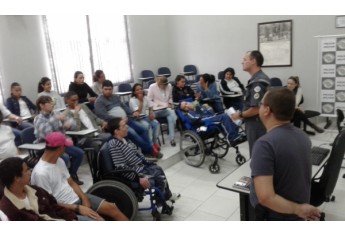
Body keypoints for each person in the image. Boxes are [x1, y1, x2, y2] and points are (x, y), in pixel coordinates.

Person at [250, 87, 321, 221]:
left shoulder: (265, 144)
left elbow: (266, 197)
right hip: (296, 211)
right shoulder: (302, 135)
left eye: (261, 104)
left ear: (267, 110)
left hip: (276, 216)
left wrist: (298, 210)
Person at [31, 132, 128, 221]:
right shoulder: (41, 173)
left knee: (112, 207)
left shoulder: (59, 160)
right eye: (65, 146)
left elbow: (71, 182)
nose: (66, 149)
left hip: (76, 199)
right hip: (63, 208)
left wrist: (84, 198)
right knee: (98, 221)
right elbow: (50, 204)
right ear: (60, 148)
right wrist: (78, 208)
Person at [106, 117, 181, 205]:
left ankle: (167, 196)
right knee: (158, 178)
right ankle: (161, 203)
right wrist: (139, 178)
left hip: (139, 167)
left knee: (158, 169)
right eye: (123, 126)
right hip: (133, 173)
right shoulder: (114, 144)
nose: (127, 127)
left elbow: (138, 153)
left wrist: (147, 162)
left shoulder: (125, 139)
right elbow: (120, 166)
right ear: (116, 131)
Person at [94, 80, 162, 158]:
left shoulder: (115, 97)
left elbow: (124, 106)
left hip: (126, 119)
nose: (108, 91)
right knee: (133, 133)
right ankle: (151, 150)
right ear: (102, 89)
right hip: (116, 124)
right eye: (106, 89)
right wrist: (120, 119)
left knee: (144, 128)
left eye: (110, 89)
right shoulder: (99, 101)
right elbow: (104, 116)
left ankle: (145, 151)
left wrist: (132, 113)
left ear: (112, 89)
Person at [0, 157, 77, 221]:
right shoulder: (8, 208)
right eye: (26, 170)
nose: (30, 172)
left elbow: (55, 206)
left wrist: (71, 218)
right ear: (17, 178)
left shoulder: (36, 190)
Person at [34, 95, 84, 185]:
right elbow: (48, 135)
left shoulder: (55, 113)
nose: (52, 105)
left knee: (79, 153)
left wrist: (69, 123)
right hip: (48, 146)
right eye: (49, 103)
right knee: (65, 157)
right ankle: (61, 180)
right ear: (41, 105)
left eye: (51, 102)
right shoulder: (38, 118)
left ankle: (71, 175)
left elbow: (73, 125)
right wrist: (56, 119)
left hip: (61, 143)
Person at [231, 50, 270, 156]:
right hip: (257, 122)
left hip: (256, 124)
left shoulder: (258, 82)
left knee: (257, 154)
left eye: (244, 59)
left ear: (253, 61)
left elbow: (256, 109)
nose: (242, 62)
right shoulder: (257, 79)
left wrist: (239, 115)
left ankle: (258, 172)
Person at [63, 91, 111, 156]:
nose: (76, 102)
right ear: (67, 100)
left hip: (96, 132)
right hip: (85, 138)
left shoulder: (83, 106)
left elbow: (95, 118)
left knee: (111, 137)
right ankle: (99, 164)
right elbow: (76, 129)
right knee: (99, 144)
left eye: (77, 100)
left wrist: (102, 122)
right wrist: (76, 114)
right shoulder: (66, 114)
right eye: (73, 100)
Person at [179, 101, 245, 145]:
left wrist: (208, 108)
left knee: (228, 113)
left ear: (189, 102)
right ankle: (232, 138)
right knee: (223, 117)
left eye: (186, 104)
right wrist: (212, 117)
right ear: (185, 110)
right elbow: (198, 120)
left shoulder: (199, 107)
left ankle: (236, 134)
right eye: (184, 107)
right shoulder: (189, 114)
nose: (186, 106)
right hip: (201, 128)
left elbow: (212, 113)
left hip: (210, 121)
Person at [147, 76, 177, 146]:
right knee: (171, 113)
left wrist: (169, 103)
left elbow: (170, 97)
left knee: (170, 117)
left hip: (166, 109)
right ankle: (175, 122)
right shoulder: (152, 87)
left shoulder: (169, 86)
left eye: (165, 85)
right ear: (158, 83)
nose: (164, 87)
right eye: (162, 85)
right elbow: (149, 100)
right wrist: (160, 105)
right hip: (156, 110)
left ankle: (172, 139)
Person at [129, 83, 160, 150]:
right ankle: (150, 146)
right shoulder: (132, 100)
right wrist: (141, 101)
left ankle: (154, 143)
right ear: (134, 92)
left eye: (141, 89)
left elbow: (150, 106)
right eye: (137, 90)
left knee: (156, 124)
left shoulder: (145, 97)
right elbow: (138, 112)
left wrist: (151, 112)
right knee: (147, 126)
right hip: (137, 119)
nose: (140, 91)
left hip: (145, 117)